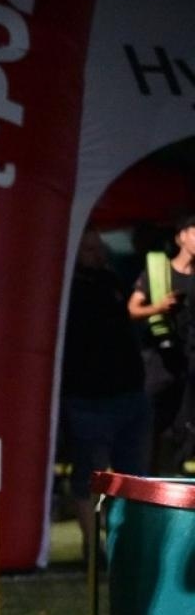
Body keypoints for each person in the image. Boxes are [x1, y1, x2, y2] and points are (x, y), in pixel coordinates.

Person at [62, 228, 150, 536]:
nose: (98, 255)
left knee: (135, 478)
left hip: (129, 394)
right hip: (89, 399)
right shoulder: (67, 291)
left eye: (99, 248)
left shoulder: (111, 280)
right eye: (89, 250)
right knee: (89, 475)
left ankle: (128, 541)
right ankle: (93, 549)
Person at [128, 214, 195, 472]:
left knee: (183, 428)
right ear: (181, 237)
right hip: (160, 362)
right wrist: (158, 307)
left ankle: (170, 481)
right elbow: (133, 309)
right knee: (152, 424)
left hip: (189, 364)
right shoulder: (158, 271)